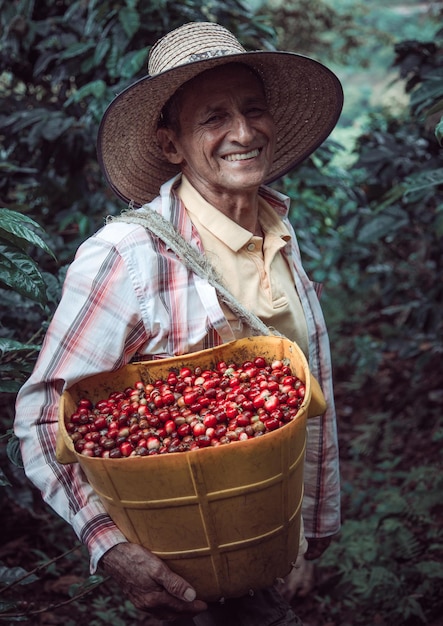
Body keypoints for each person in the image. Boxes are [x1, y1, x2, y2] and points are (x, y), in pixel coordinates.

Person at [14, 21, 343, 625]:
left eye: (253, 110)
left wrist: (302, 539)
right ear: (171, 144)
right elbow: (42, 416)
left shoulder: (278, 233)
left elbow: (303, 401)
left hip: (264, 552)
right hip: (184, 574)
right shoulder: (129, 256)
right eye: (213, 117)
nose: (243, 133)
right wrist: (111, 548)